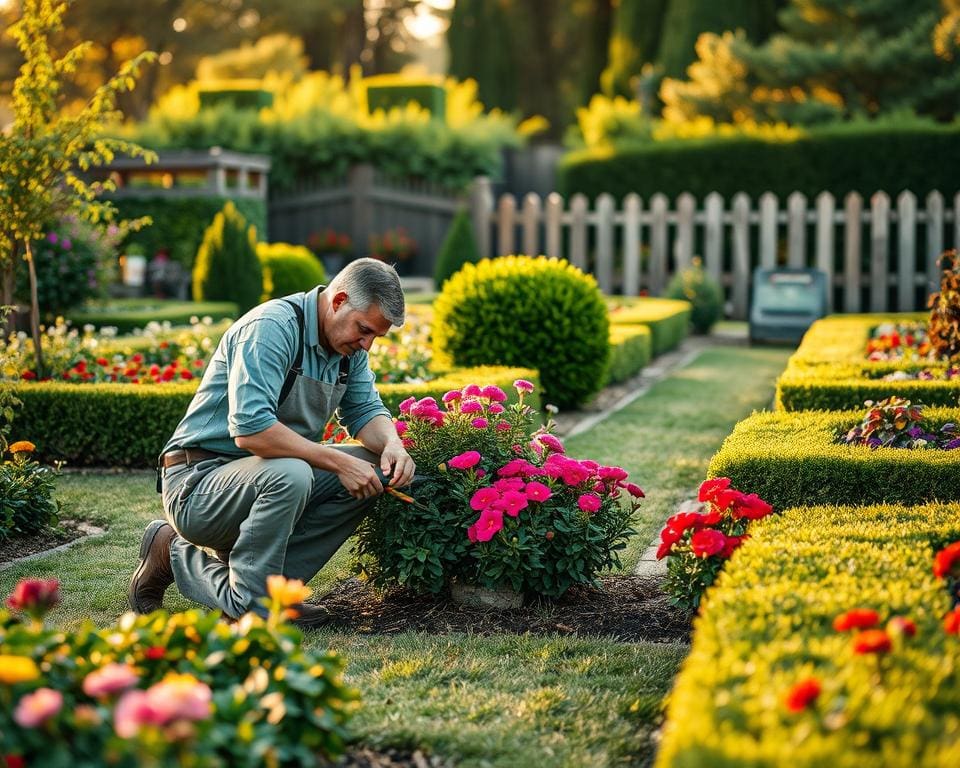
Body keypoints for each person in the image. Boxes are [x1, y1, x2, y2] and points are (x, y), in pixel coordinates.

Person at [128, 257, 415, 628]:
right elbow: (252, 429)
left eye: (376, 336)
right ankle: (193, 565)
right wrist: (340, 462)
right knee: (292, 473)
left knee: (376, 470)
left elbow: (364, 411)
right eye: (364, 330)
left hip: (265, 478)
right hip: (197, 482)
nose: (367, 344)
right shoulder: (271, 328)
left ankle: (273, 592)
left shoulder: (349, 350)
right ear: (339, 300)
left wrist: (392, 444)